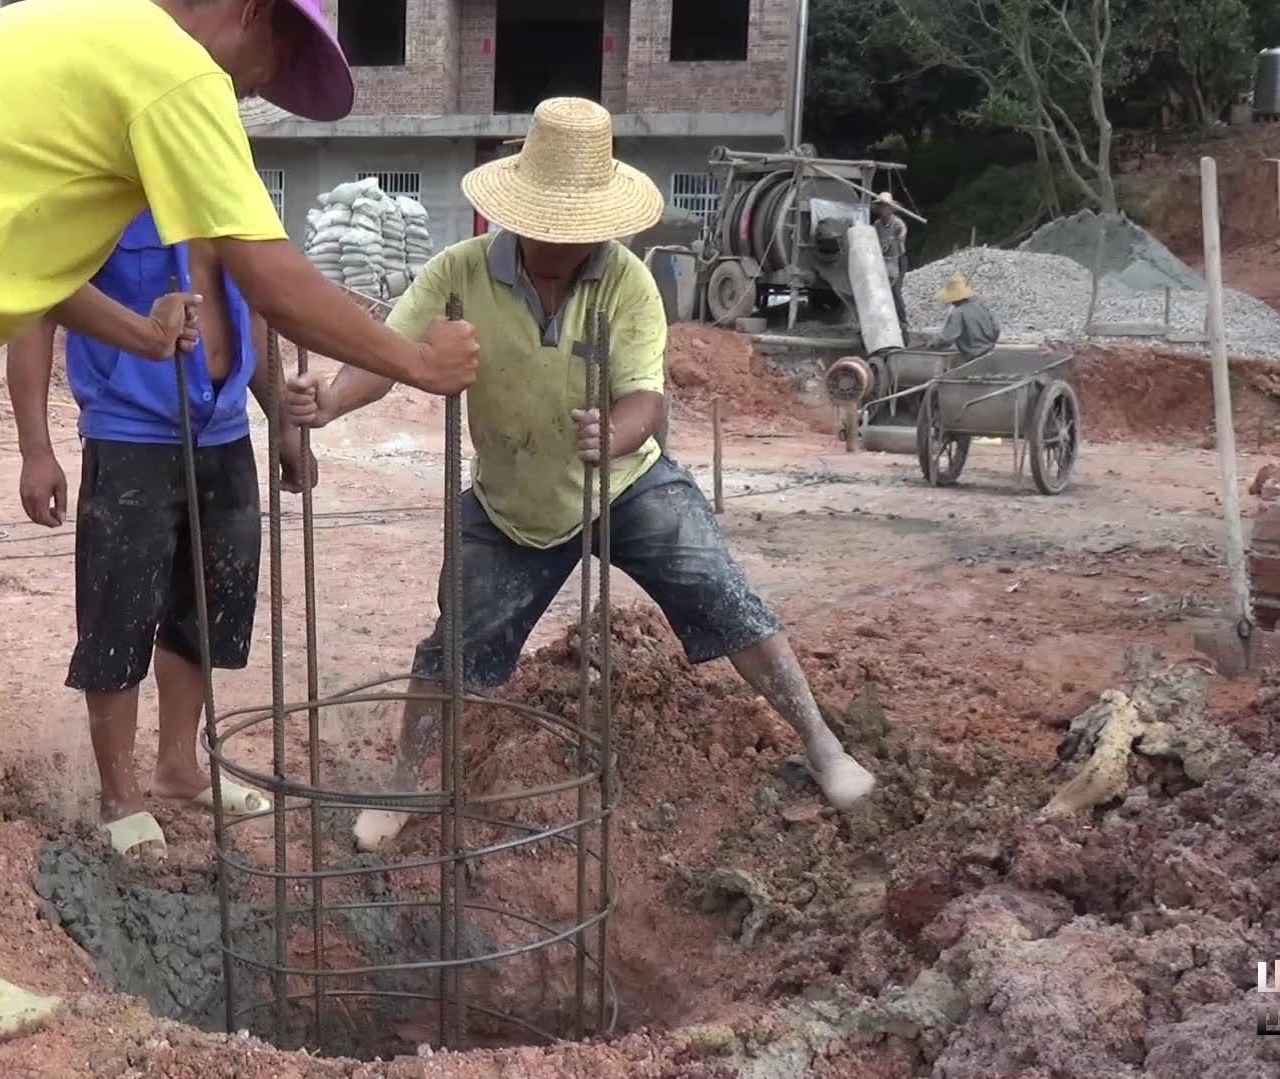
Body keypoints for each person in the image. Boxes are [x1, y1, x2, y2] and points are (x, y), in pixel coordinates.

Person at [0, 0, 479, 1045]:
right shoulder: (177, 74)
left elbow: (39, 260)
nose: (253, 92)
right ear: (249, 14)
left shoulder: (89, 32)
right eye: (271, 64)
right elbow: (269, 275)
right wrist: (415, 362)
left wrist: (134, 330)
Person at [284, 98, 878, 854]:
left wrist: (616, 431)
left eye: (581, 225)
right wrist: (330, 401)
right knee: (450, 647)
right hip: (511, 503)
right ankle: (407, 782)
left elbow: (646, 399)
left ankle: (822, 742)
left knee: (720, 589)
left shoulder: (626, 282)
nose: (566, 239)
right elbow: (388, 353)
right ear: (521, 214)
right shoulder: (460, 273)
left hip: (625, 486)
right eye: (552, 224)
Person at [7, 211, 308, 861]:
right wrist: (36, 446)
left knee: (207, 605)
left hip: (224, 428)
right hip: (130, 432)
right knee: (119, 611)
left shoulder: (224, 188)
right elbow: (38, 308)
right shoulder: (105, 190)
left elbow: (255, 308)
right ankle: (119, 795)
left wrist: (281, 418)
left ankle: (178, 766)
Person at [932, 272, 1000, 363]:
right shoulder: (982, 306)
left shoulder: (958, 312)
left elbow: (948, 338)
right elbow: (996, 328)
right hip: (990, 354)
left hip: (973, 358)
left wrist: (933, 344)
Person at [873, 193, 909, 338]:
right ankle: (883, 322)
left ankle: (903, 322)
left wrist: (900, 236)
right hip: (883, 260)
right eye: (881, 207)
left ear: (891, 209)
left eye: (886, 207)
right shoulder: (877, 225)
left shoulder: (897, 223)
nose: (883, 210)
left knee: (895, 291)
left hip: (898, 259)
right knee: (881, 291)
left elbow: (903, 231)